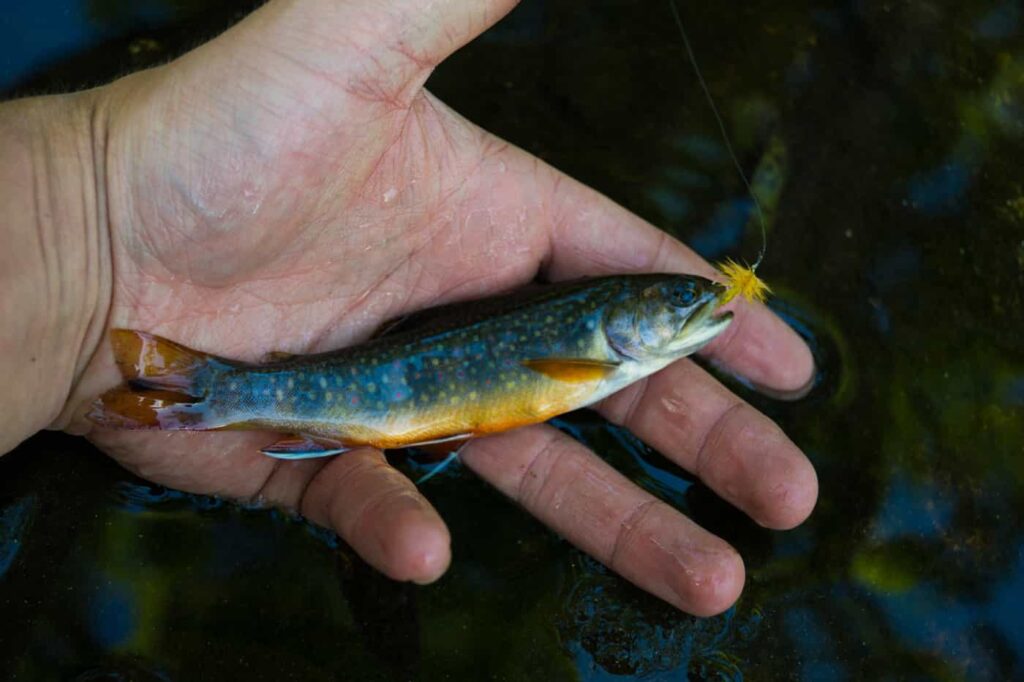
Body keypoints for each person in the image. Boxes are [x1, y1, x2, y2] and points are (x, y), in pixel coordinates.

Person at [0, 0, 817, 617]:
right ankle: (217, 392)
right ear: (622, 317)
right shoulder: (590, 360)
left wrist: (84, 243)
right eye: (676, 302)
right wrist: (92, 226)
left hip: (392, 390)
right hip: (389, 387)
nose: (694, 309)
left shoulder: (594, 345)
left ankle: (211, 390)